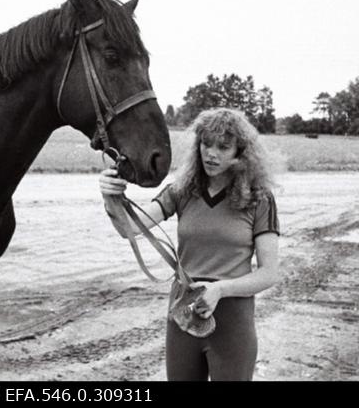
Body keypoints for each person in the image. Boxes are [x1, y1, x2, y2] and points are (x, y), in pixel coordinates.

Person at [99, 107, 281, 381]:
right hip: (183, 316)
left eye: (223, 147)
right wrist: (110, 197)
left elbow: (269, 273)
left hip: (232, 321)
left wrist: (219, 289)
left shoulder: (259, 199)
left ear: (239, 152)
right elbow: (129, 229)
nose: (211, 153)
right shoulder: (182, 190)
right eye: (206, 144)